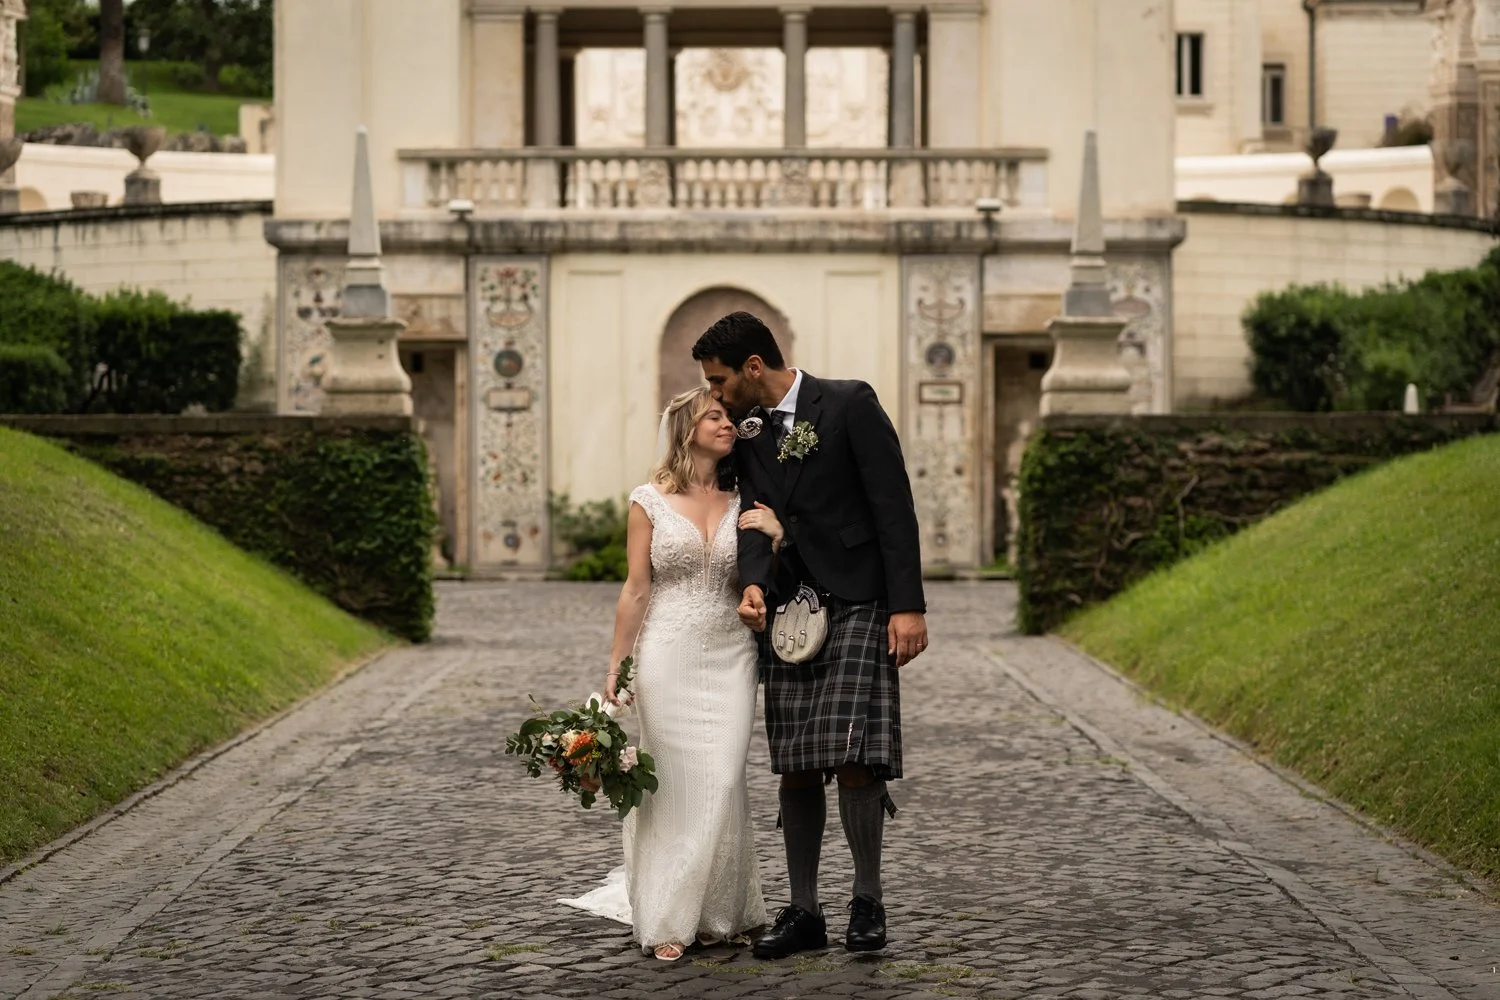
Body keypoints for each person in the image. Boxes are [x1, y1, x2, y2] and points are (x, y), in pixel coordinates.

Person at [692, 311, 928, 958]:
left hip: (859, 598)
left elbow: (892, 507)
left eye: (719, 381)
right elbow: (749, 521)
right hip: (790, 609)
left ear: (754, 368)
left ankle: (867, 901)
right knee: (795, 762)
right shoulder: (747, 435)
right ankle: (803, 912)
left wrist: (907, 606)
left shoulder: (849, 403)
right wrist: (753, 585)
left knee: (854, 754)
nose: (716, 395)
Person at [561, 386, 785, 961]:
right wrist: (618, 666)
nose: (728, 425)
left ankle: (721, 908)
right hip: (668, 652)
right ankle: (669, 915)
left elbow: (762, 573)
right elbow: (637, 589)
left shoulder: (746, 499)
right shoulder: (648, 500)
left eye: (729, 417)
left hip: (732, 652)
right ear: (687, 428)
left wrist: (779, 539)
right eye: (715, 416)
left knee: (724, 774)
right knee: (675, 783)